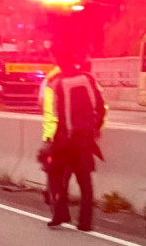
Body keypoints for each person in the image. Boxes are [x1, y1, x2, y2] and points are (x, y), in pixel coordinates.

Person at [41, 45, 106, 231]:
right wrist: (94, 129)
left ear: (59, 61)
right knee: (85, 181)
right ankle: (85, 222)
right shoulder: (88, 79)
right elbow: (100, 108)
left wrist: (51, 139)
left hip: (65, 140)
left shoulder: (58, 83)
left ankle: (60, 213)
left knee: (54, 175)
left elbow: (56, 115)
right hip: (84, 139)